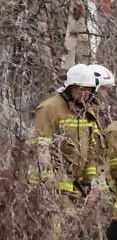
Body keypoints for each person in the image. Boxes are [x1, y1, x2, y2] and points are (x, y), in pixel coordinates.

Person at [31, 63, 103, 198]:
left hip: (76, 187)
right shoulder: (49, 108)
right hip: (52, 186)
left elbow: (90, 149)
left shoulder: (85, 111)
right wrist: (49, 182)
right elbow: (41, 148)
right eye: (80, 89)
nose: (84, 94)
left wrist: (88, 181)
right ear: (70, 87)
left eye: (88, 90)